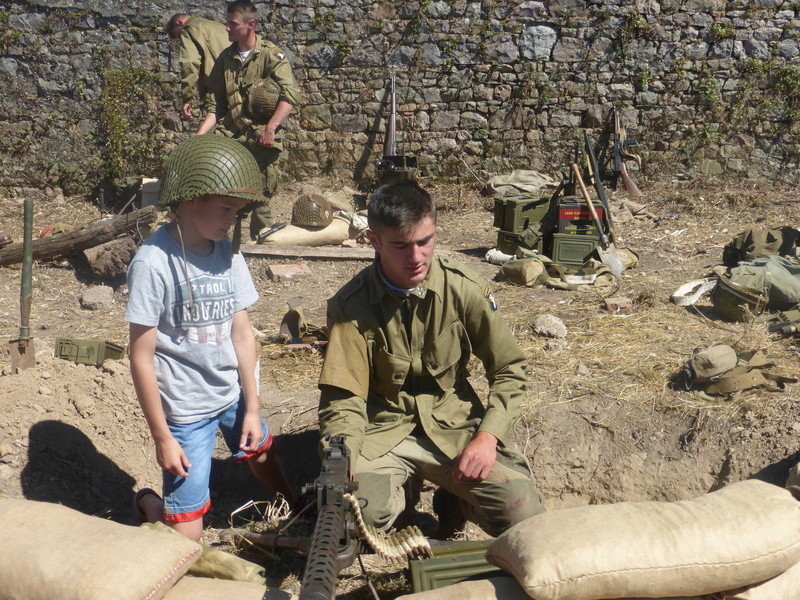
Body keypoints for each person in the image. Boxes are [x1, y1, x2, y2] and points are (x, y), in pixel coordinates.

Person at [317, 180, 545, 538]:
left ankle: (453, 501)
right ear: (374, 242)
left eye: (425, 241)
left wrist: (487, 436)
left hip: (453, 427)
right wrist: (340, 454)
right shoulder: (350, 307)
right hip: (383, 432)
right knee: (354, 520)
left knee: (522, 513)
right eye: (400, 246)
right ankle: (402, 496)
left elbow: (509, 369)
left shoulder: (464, 288)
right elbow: (343, 398)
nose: (417, 257)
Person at [126, 135, 297, 540]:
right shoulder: (153, 263)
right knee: (186, 540)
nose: (232, 220)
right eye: (226, 209)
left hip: (231, 394)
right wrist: (162, 438)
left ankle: (294, 503)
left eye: (237, 212)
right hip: (184, 412)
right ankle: (150, 505)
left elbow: (243, 334)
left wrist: (252, 408)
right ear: (190, 201)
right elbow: (141, 357)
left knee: (263, 451)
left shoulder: (228, 254)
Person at [197, 0, 301, 242]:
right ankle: (219, 236)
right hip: (231, 133)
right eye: (227, 22)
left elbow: (290, 94)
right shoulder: (225, 58)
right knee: (220, 184)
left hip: (260, 136)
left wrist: (271, 128)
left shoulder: (270, 55)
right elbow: (216, 104)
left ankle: (261, 238)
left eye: (232, 23)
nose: (226, 28)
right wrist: (200, 135)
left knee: (261, 189)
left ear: (250, 25)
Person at [165, 13, 229, 122]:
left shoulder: (189, 28)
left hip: (217, 88)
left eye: (179, 35)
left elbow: (189, 62)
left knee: (208, 133)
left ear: (179, 23)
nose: (181, 38)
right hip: (237, 83)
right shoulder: (219, 26)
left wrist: (188, 97)